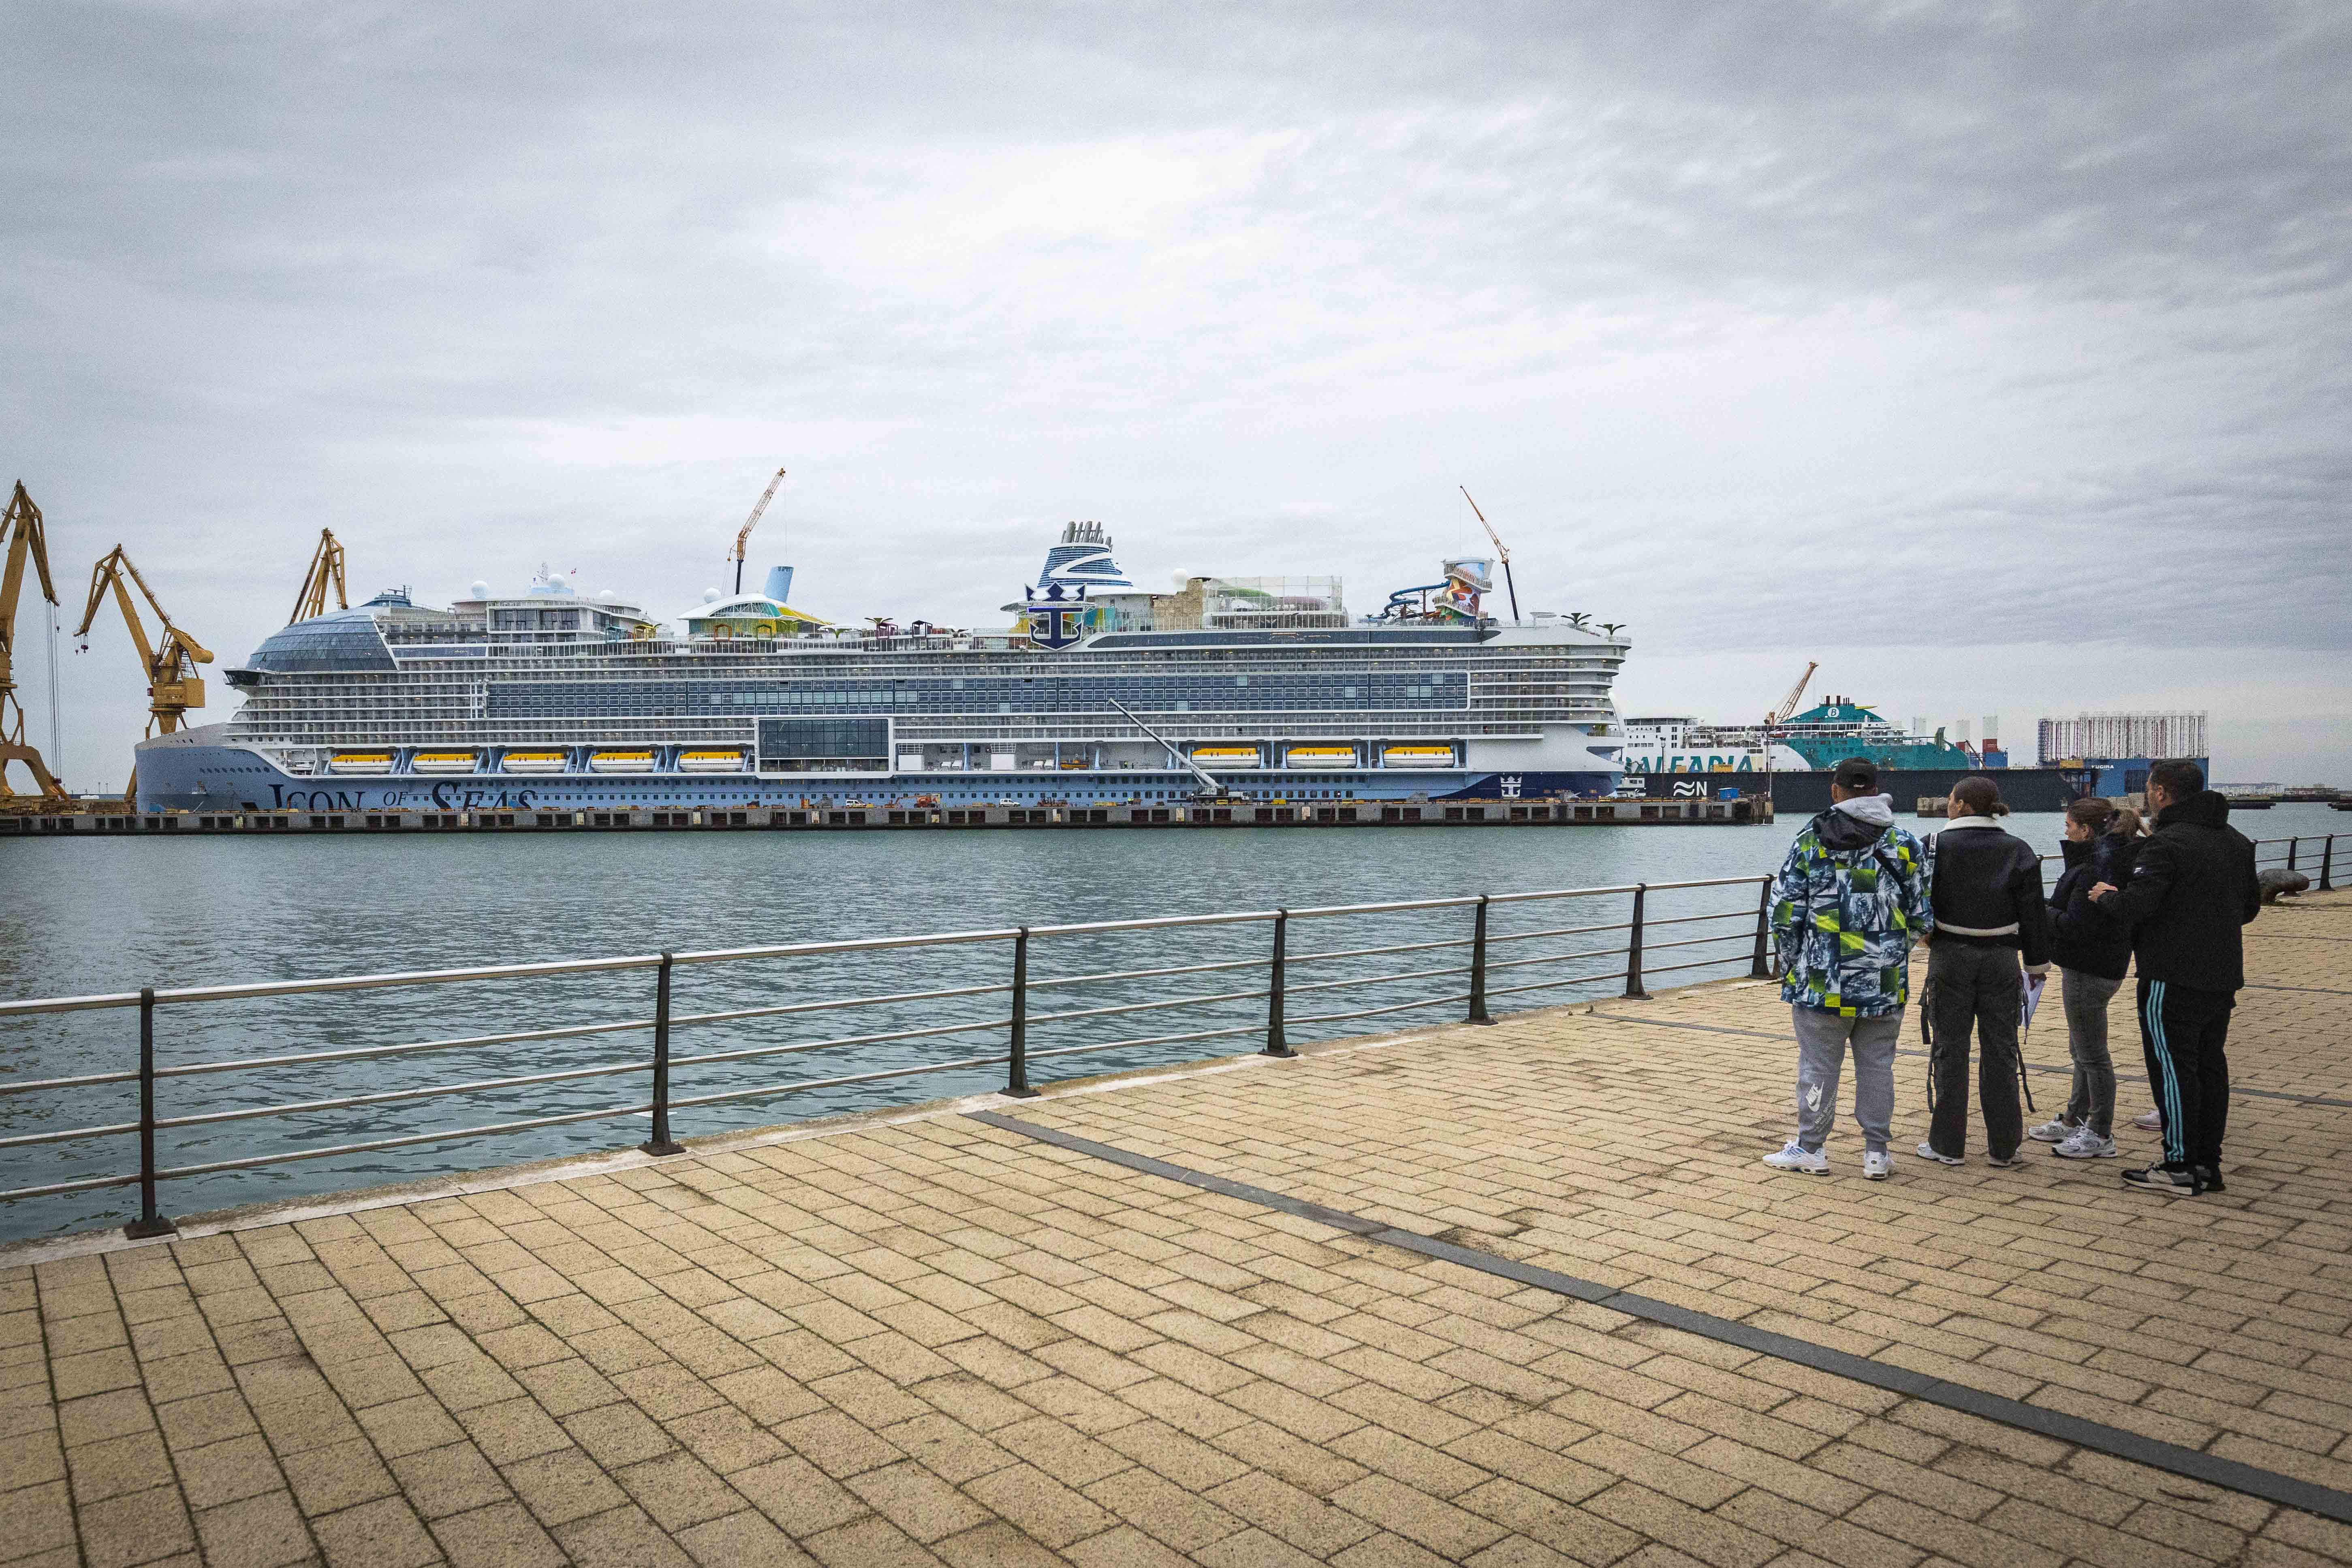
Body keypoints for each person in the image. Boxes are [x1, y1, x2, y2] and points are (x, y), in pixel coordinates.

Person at [2089, 760, 2259, 1194]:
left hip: (2170, 974)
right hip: (2221, 972)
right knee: (2209, 1064)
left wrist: (2108, 897)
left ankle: (2179, 1164)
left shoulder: (2167, 845)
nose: (2147, 796)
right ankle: (2207, 1164)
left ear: (2162, 793)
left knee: (2173, 1068)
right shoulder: (2236, 841)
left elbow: (2137, 907)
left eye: (2149, 788)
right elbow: (2250, 909)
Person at [1762, 756, 1932, 1179]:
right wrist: (1890, 950)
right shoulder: (1906, 844)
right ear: (1876, 791)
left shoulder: (1809, 842)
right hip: (1884, 981)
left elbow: (1784, 913)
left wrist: (1792, 961)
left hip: (1821, 981)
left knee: (1817, 1066)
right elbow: (1922, 917)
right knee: (1878, 1066)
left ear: (1835, 791)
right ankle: (1876, 1154)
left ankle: (1811, 1149)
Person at [1916, 774, 2053, 1168]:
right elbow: (2034, 914)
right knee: (2001, 1050)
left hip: (1950, 956)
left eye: (1952, 799)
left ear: (1961, 805)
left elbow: (1915, 899)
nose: (1948, 804)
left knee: (1950, 1049)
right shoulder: (2018, 849)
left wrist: (1924, 936)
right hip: (2001, 958)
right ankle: (2005, 1148)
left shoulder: (1934, 846)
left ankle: (1947, 1145)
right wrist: (2036, 965)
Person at [2028, 797, 2143, 1159]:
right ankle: (2075, 1117)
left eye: (2068, 825)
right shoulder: (2106, 861)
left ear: (2085, 829)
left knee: (2092, 1054)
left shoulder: (2097, 867)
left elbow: (2076, 924)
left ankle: (2100, 1131)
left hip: (2089, 968)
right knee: (2081, 1049)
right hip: (2100, 964)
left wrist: (2037, 911)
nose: (2065, 830)